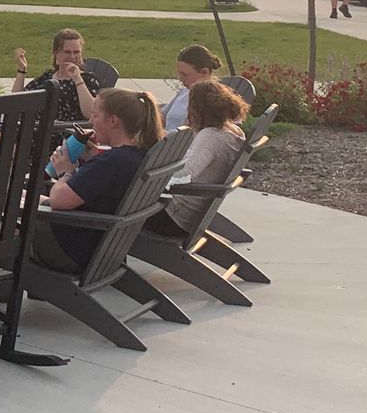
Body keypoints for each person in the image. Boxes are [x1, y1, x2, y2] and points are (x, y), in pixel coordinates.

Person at [33, 87, 164, 272]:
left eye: (95, 116)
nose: (90, 121)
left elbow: (59, 200)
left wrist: (65, 171)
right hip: (102, 248)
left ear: (113, 121)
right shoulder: (136, 156)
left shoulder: (111, 163)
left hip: (69, 249)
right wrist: (88, 159)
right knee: (17, 198)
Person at [153, 80, 249, 235]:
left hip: (176, 216)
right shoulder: (234, 131)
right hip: (193, 212)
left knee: (116, 205)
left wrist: (153, 175)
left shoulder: (211, 137)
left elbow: (185, 175)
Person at [12, 28, 102, 126]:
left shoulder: (88, 79)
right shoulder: (47, 77)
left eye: (76, 52)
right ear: (56, 53)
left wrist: (77, 78)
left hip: (64, 132)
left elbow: (90, 113)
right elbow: (17, 101)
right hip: (35, 129)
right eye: (67, 52)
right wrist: (22, 70)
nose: (72, 57)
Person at [161, 44, 223, 132]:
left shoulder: (211, 100)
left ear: (204, 72)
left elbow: (187, 134)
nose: (181, 80)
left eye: (185, 75)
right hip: (164, 140)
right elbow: (160, 115)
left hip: (177, 143)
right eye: (180, 74)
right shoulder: (185, 91)